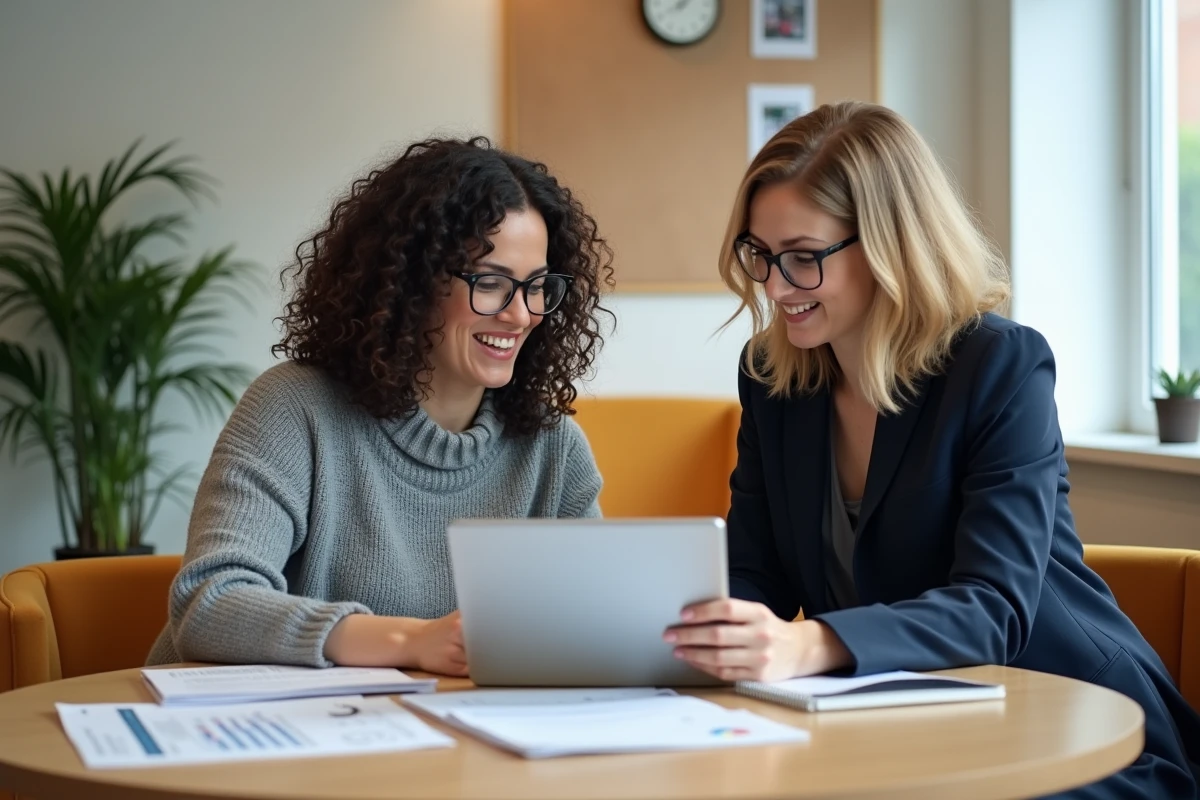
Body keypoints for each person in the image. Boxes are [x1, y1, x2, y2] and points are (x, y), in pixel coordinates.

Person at [665, 102, 1200, 797]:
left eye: (802, 258)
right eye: (761, 256)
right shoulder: (773, 378)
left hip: (1065, 728)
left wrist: (810, 643)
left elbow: (992, 609)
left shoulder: (999, 365)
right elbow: (755, 571)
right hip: (892, 726)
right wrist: (700, 635)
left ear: (890, 243)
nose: (772, 287)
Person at [147, 137, 612, 677]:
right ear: (412, 283)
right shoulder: (294, 409)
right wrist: (411, 642)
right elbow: (210, 605)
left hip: (443, 744)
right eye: (491, 283)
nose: (520, 315)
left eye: (536, 286)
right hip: (244, 740)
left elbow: (596, 620)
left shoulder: (551, 447)